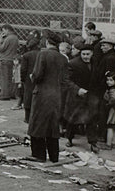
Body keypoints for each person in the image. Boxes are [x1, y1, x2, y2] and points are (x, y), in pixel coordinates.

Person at [27, 31, 68, 163]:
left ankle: (38, 154)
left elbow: (38, 75)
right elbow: (65, 79)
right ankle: (54, 156)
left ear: (46, 42)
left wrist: (32, 77)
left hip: (42, 95)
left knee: (37, 124)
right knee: (52, 125)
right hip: (56, 95)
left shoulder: (43, 54)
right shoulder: (63, 58)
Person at [64, 44, 100, 153]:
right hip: (77, 96)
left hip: (91, 95)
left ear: (92, 53)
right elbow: (66, 80)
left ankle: (93, 142)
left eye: (88, 54)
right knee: (73, 118)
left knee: (92, 119)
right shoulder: (73, 63)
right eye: (83, 54)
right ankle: (69, 138)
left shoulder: (96, 62)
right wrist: (77, 89)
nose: (85, 56)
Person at [20, 36, 40, 123]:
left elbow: (23, 69)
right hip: (39, 78)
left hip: (28, 79)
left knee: (28, 97)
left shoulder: (26, 55)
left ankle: (27, 118)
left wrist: (22, 79)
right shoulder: (41, 54)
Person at [0, 24, 19, 101]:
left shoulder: (8, 38)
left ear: (7, 29)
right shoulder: (15, 38)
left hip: (4, 59)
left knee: (4, 78)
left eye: (3, 30)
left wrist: (0, 40)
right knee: (9, 77)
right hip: (11, 59)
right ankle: (6, 92)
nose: (3, 32)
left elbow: (1, 49)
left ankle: (5, 94)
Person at [100, 71, 115, 150]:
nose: (108, 82)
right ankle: (113, 142)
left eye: (111, 80)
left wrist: (109, 103)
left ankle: (108, 144)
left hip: (112, 111)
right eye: (107, 80)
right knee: (113, 127)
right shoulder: (114, 89)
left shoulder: (112, 90)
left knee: (109, 127)